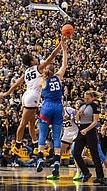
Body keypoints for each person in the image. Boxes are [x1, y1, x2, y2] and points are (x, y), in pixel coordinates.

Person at [0, 38, 65, 153]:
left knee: (31, 121)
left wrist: (6, 93)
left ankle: (35, 142)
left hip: (26, 96)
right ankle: (18, 144)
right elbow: (52, 56)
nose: (36, 58)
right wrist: (61, 45)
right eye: (34, 58)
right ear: (31, 62)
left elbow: (16, 85)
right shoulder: (39, 68)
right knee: (23, 122)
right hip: (33, 96)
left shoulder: (26, 72)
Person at [36, 37, 68, 179]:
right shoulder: (58, 77)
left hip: (47, 107)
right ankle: (56, 163)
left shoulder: (42, 80)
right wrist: (64, 50)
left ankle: (40, 158)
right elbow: (65, 64)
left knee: (42, 135)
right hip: (58, 107)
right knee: (56, 137)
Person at [72, 90, 105, 184]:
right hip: (81, 129)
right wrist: (78, 112)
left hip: (90, 130)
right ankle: (86, 172)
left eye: (88, 98)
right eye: (85, 98)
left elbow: (95, 121)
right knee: (76, 153)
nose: (86, 100)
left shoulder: (94, 106)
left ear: (92, 98)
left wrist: (86, 130)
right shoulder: (82, 105)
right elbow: (78, 119)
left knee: (94, 154)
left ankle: (100, 176)